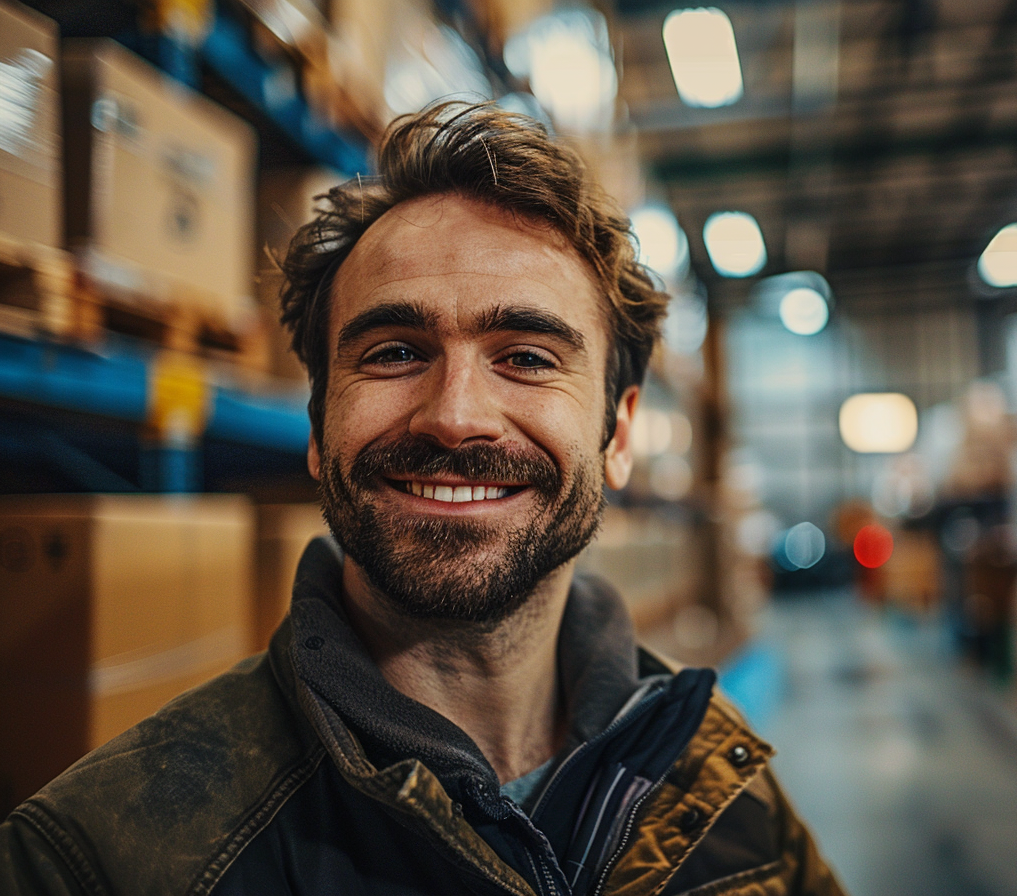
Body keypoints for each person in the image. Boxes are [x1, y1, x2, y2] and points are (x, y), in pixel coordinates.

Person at [0, 102, 845, 896]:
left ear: (617, 438)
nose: (455, 418)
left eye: (526, 357)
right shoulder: (99, 856)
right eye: (396, 352)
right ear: (317, 423)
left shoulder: (731, 793)